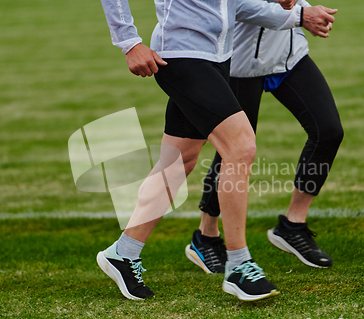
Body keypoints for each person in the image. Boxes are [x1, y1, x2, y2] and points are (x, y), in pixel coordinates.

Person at [97, 0, 337, 301]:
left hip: (219, 58)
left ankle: (124, 252)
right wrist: (130, 42)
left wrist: (298, 15)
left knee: (179, 161)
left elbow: (239, 4)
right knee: (241, 146)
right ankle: (238, 264)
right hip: (182, 57)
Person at [184, 1, 344, 274]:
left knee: (328, 131)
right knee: (232, 150)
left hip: (290, 56)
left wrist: (304, 11)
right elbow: (245, 7)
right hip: (241, 63)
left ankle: (292, 225)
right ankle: (206, 235)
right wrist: (301, 14)